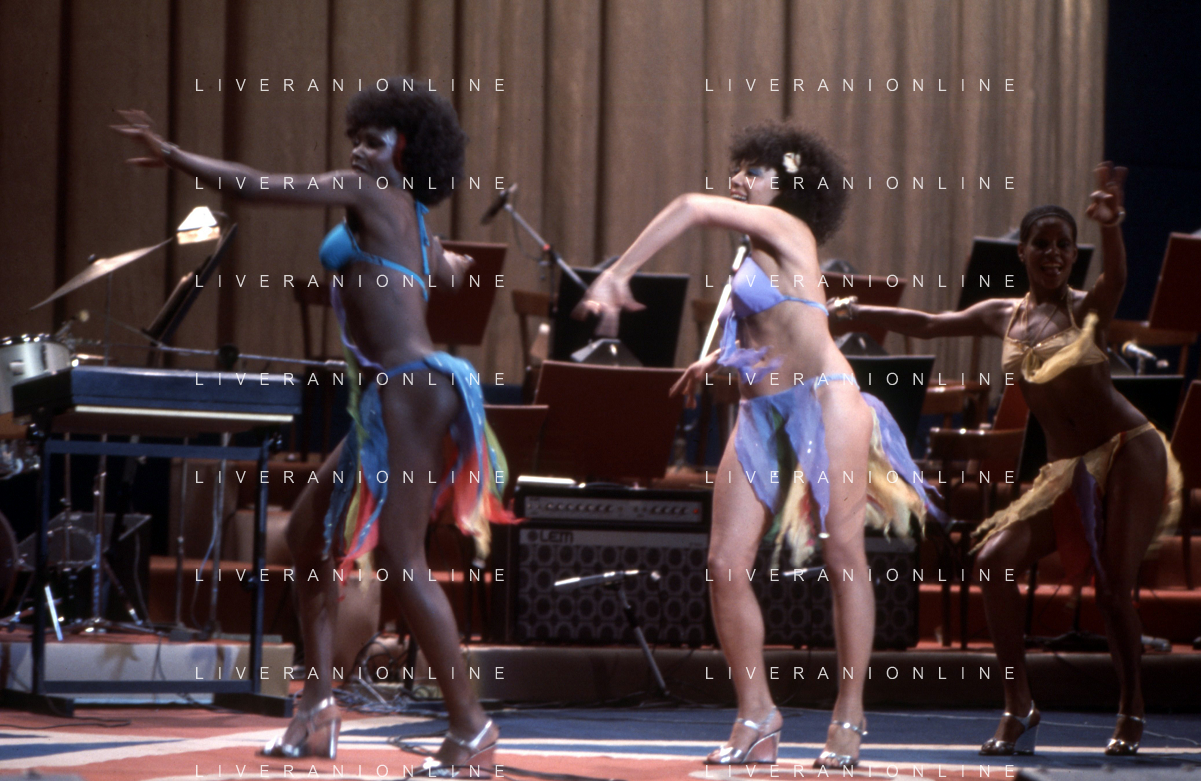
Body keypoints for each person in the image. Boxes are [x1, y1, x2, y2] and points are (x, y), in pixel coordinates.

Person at [114, 78, 516, 776]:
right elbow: (448, 270)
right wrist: (446, 265)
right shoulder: (413, 220)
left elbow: (254, 186)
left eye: (374, 140)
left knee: (401, 561)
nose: (358, 150)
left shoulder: (369, 193)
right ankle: (319, 706)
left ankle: (471, 727)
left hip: (409, 391)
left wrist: (173, 154)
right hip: (388, 399)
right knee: (305, 537)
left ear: (407, 148)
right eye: (354, 138)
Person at [574, 121, 935, 769]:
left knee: (841, 552)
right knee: (724, 563)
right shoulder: (749, 252)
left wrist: (616, 274)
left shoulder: (789, 228)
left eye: (754, 171)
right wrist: (716, 358)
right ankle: (757, 713)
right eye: (737, 168)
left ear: (788, 185)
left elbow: (690, 206)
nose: (738, 179)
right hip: (760, 411)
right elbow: (773, 322)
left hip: (824, 400)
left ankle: (849, 714)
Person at [829, 163, 1182, 756]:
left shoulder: (1085, 309)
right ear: (1022, 251)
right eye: (1041, 243)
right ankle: (1019, 706)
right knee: (993, 561)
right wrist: (854, 312)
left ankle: (1132, 709)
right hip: (1067, 469)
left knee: (1113, 589)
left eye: (1064, 245)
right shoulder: (1003, 314)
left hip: (1128, 451)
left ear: (1073, 254)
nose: (1053, 254)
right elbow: (929, 323)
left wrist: (1112, 224)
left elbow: (1117, 276)